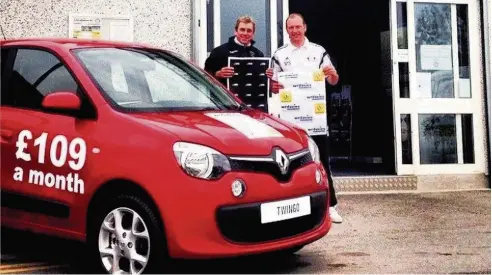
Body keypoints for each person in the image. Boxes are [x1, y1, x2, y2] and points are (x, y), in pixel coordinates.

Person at [266, 13, 343, 223]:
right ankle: (293, 207)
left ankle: (330, 206)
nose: (295, 31)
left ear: (305, 27)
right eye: (290, 28)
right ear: (287, 30)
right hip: (291, 121)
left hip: (315, 118)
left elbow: (334, 81)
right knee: (290, 163)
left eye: (298, 27)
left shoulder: (319, 52)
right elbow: (273, 88)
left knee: (323, 162)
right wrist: (274, 85)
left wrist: (332, 74)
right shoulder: (279, 54)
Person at [204, 15, 265, 87]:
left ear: (253, 34)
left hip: (252, 97)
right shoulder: (219, 52)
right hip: (226, 97)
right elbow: (204, 76)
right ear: (235, 31)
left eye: (249, 31)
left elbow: (262, 82)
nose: (245, 33)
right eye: (242, 30)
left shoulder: (258, 55)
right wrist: (218, 74)